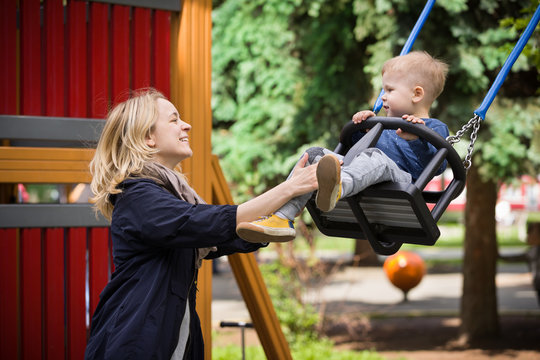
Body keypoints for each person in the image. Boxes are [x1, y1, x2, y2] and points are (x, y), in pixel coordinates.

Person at [84, 88, 318, 360]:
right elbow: (203, 222)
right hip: (134, 342)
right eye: (174, 120)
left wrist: (289, 204)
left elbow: (233, 234)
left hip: (170, 339)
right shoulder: (137, 197)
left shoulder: (170, 196)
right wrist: (287, 189)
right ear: (148, 137)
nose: (187, 125)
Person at [236, 51, 449, 243]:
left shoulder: (433, 128)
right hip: (364, 179)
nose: (382, 96)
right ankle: (282, 217)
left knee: (376, 157)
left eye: (389, 90)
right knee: (314, 154)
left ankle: (338, 187)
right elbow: (352, 149)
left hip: (401, 182)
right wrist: (360, 127)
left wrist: (416, 139)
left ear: (417, 94)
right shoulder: (382, 124)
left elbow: (438, 165)